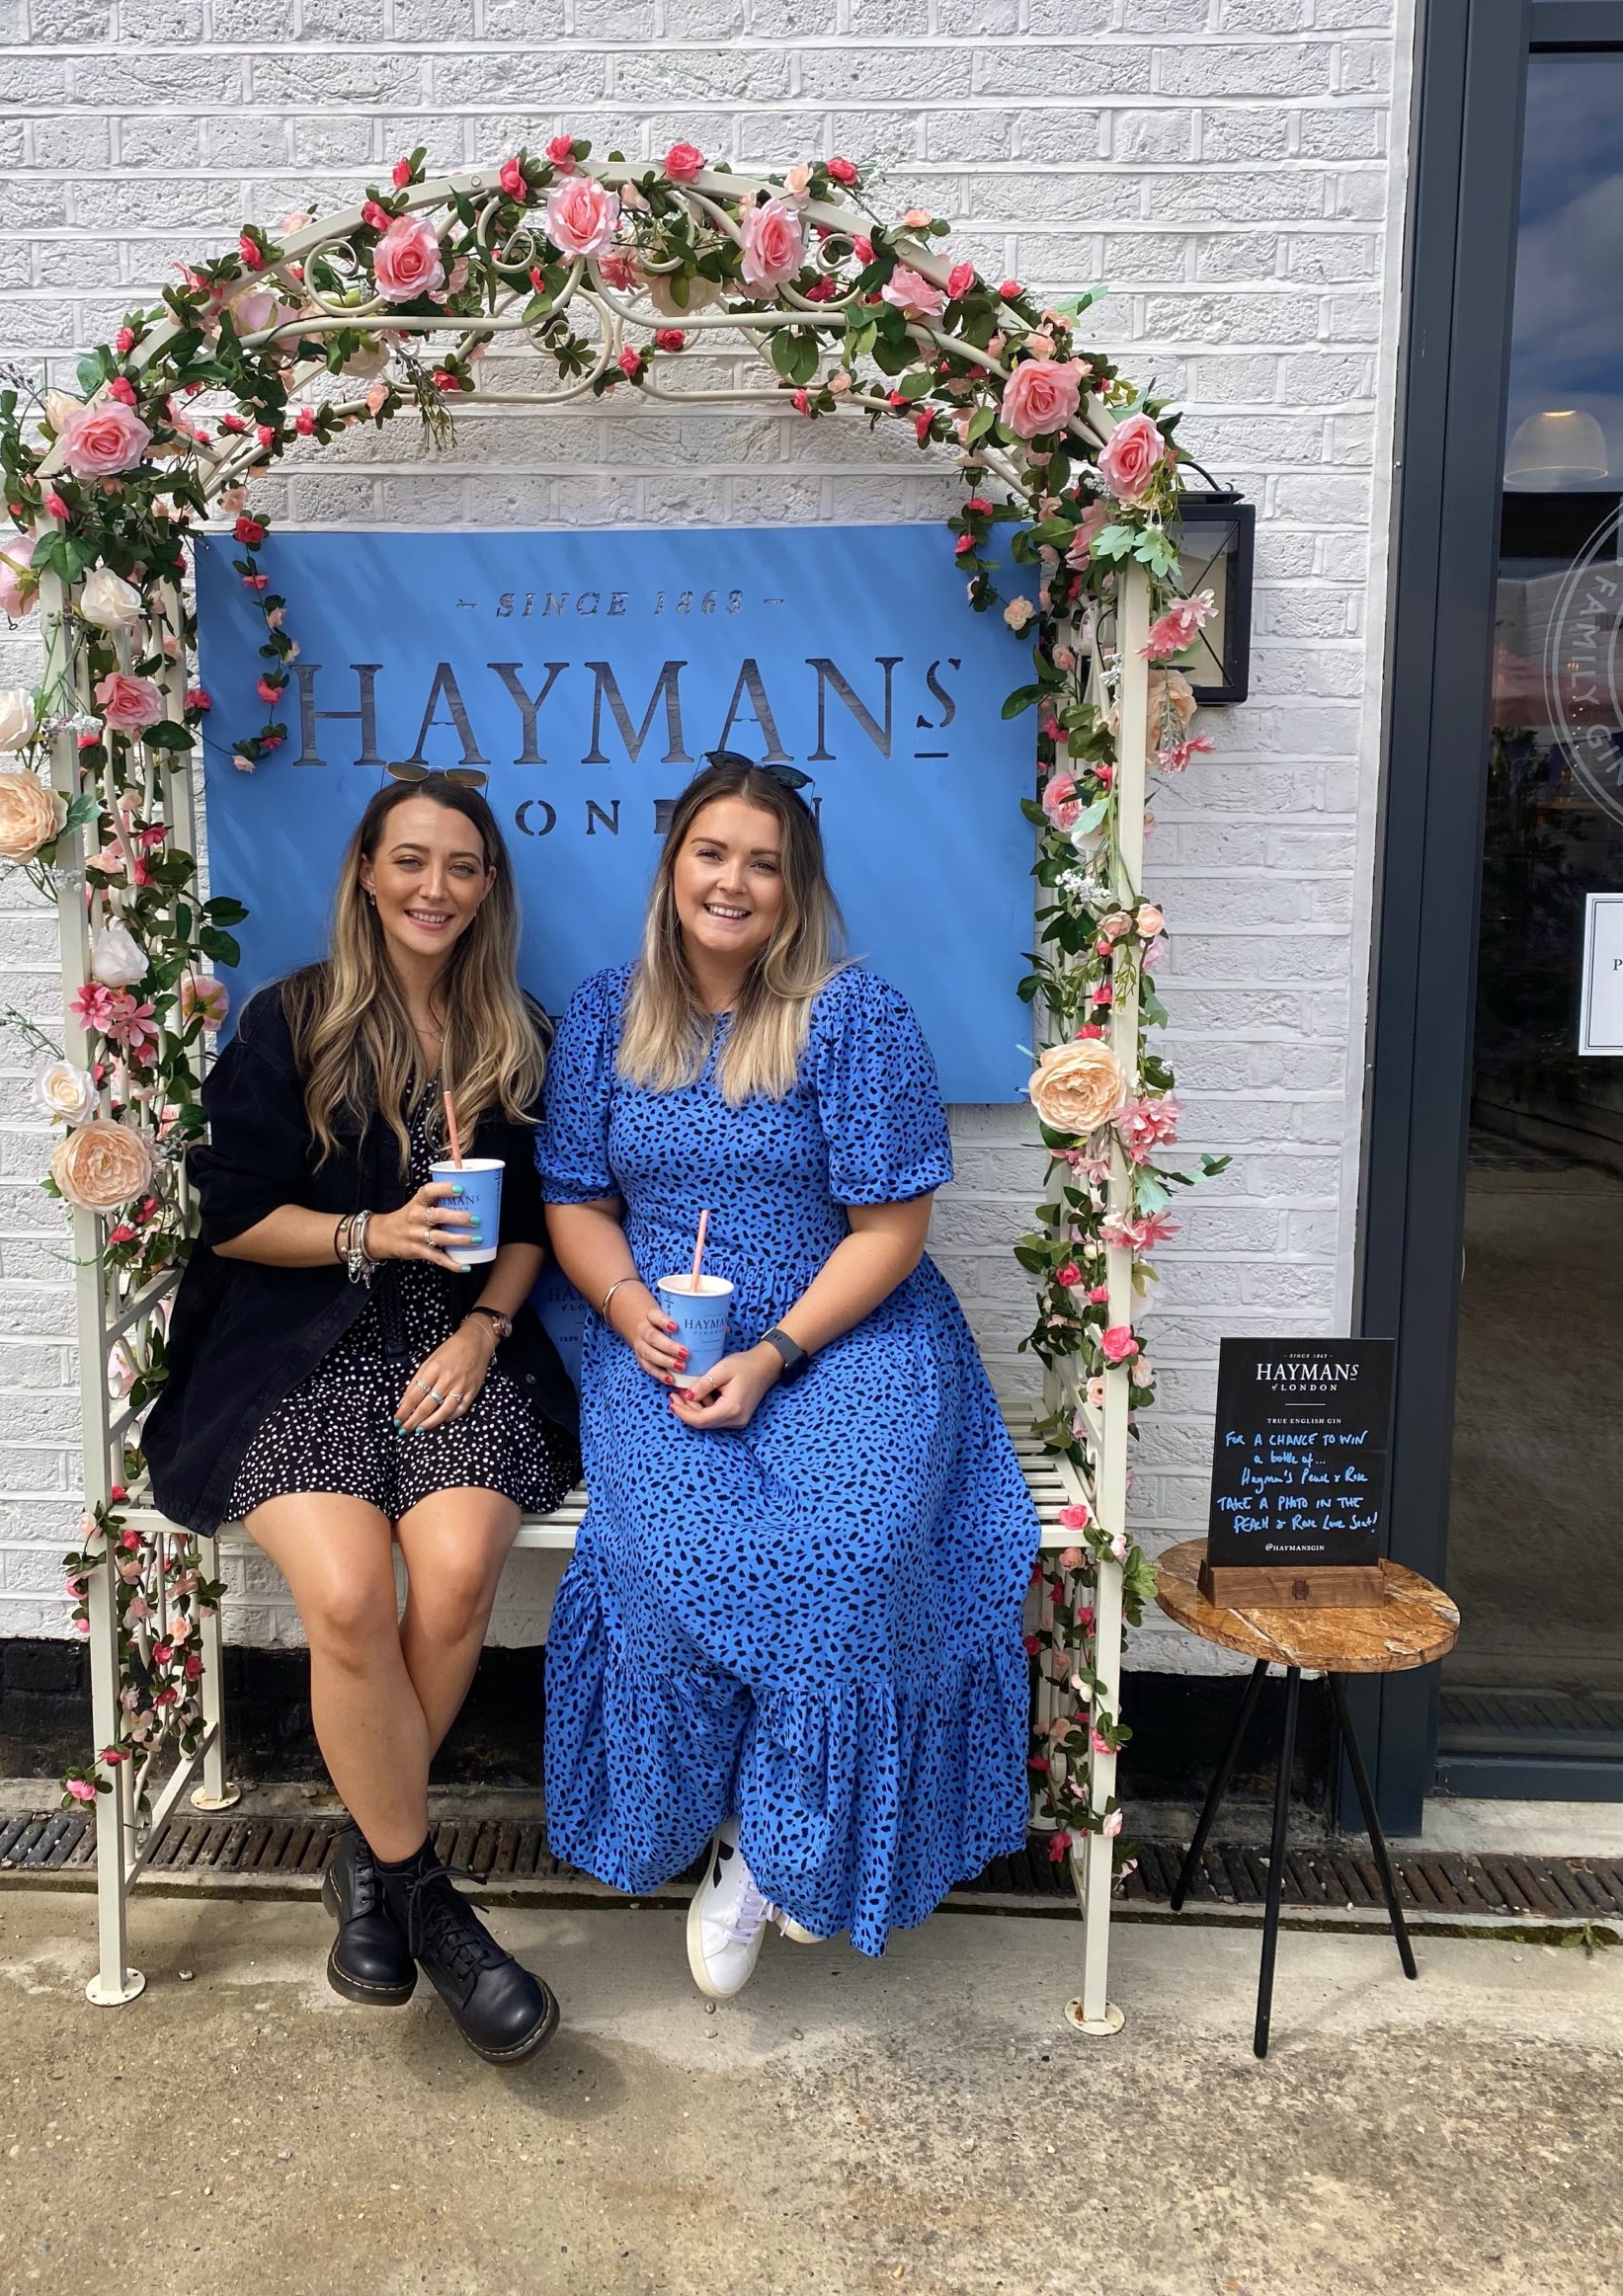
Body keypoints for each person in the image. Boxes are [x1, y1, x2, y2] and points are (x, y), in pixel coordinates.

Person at [537, 752, 1040, 1994]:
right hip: (663, 1336)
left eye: (763, 863)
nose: (734, 881)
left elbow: (891, 1229)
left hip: (846, 1331)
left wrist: (776, 1353)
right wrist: (627, 1308)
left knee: (860, 1547)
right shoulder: (606, 1015)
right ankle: (719, 1820)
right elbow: (575, 1199)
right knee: (669, 1545)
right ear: (672, 868)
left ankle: (781, 1843)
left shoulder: (853, 1017)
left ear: (795, 886)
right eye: (712, 853)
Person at [143, 770, 576, 2064]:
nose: (435, 887)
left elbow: (535, 1226)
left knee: (455, 1572)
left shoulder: (516, 1033)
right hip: (300, 1345)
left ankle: (365, 1860)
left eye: (461, 865)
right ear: (369, 875)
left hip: (455, 1347)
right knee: (342, 1599)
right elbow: (232, 1217)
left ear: (487, 886)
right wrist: (370, 1232)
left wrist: (485, 1328)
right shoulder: (294, 1020)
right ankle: (427, 1896)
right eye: (412, 861)